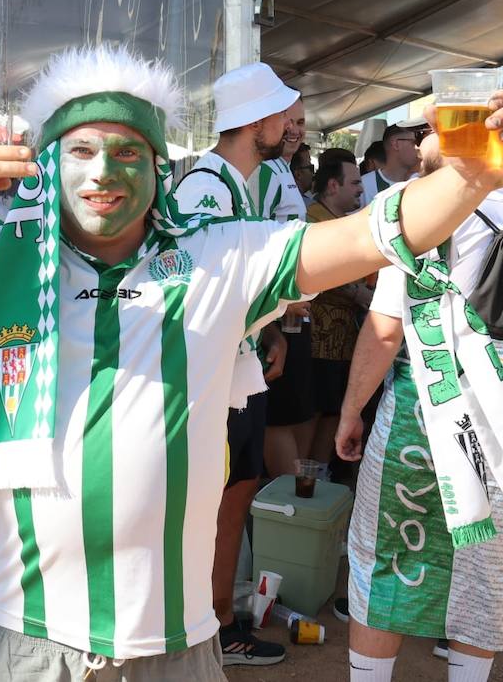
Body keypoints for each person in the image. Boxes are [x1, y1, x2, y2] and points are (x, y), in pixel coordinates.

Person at [0, 44, 503, 680]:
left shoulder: (217, 257)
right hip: (26, 644)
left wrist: (472, 180)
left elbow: (370, 235)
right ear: (49, 163)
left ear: (159, 170)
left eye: (128, 152)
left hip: (176, 648)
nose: (104, 173)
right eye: (83, 151)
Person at [335, 132, 503, 682]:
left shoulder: (419, 209)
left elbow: (385, 329)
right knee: (486, 565)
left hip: (427, 397)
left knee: (386, 553)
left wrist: (351, 412)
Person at [172, 61, 299, 666]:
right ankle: (213, 627)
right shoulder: (207, 185)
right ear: (256, 121)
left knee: (236, 493)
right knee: (220, 502)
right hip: (211, 375)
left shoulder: (235, 182)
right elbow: (200, 286)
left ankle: (219, 619)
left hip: (234, 366)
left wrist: (269, 329)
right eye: (280, 111)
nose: (289, 122)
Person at [304, 154, 369, 477]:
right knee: (317, 410)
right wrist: (364, 296)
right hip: (319, 340)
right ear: (333, 185)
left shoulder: (338, 220)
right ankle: (309, 474)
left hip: (342, 340)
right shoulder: (313, 219)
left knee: (332, 410)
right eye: (355, 182)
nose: (361, 189)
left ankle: (319, 471)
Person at [360, 119, 422, 203]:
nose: (418, 147)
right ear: (396, 144)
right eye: (415, 142)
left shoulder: (423, 180)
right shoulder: (364, 185)